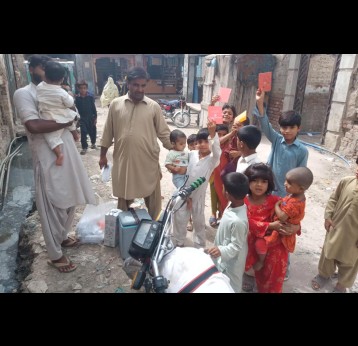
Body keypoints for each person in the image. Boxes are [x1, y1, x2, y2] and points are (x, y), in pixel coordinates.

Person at [13, 55, 96, 273]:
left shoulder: (56, 90)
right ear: (32, 69)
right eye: (42, 67)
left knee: (69, 199)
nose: (46, 71)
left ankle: (61, 237)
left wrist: (73, 126)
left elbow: (71, 112)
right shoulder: (24, 94)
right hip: (46, 154)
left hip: (66, 149)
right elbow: (33, 125)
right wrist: (68, 120)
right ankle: (55, 255)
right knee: (51, 204)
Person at [99, 67, 172, 220]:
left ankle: (154, 228)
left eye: (143, 85)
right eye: (135, 85)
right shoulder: (115, 104)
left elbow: (164, 134)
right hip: (124, 160)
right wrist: (102, 155)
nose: (140, 89)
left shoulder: (153, 106)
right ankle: (124, 226)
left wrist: (178, 152)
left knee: (153, 198)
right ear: (128, 83)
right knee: (124, 196)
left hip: (147, 159)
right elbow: (107, 132)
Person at [255, 88, 309, 281]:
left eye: (290, 128)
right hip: (271, 193)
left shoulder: (302, 150)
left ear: (298, 129)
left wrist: (295, 199)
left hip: (287, 198)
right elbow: (264, 123)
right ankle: (263, 263)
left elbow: (301, 177)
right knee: (269, 229)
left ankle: (283, 267)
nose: (286, 131)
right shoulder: (277, 140)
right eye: (283, 127)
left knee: (285, 234)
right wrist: (260, 103)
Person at [243, 163, 299, 293]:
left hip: (275, 250)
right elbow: (243, 222)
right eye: (255, 181)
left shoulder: (277, 201)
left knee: (272, 283)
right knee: (255, 275)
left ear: (269, 184)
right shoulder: (242, 202)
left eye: (264, 181)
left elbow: (293, 217)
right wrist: (269, 225)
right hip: (252, 247)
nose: (259, 185)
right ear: (247, 181)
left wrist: (295, 227)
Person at [311, 157, 358, 293]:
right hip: (336, 228)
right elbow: (334, 198)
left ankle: (342, 285)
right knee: (328, 253)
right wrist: (328, 216)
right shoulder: (347, 182)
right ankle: (323, 275)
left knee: (350, 262)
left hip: (354, 237)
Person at [172, 120, 221, 248]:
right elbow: (180, 170)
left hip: (198, 197)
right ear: (195, 144)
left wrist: (212, 134)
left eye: (206, 142)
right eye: (199, 142)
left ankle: (199, 246)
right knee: (179, 218)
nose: (203, 145)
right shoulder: (191, 154)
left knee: (198, 222)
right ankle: (179, 242)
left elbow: (217, 151)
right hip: (184, 194)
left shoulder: (212, 160)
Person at [253, 166, 313, 271]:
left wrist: (276, 205)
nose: (285, 183)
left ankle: (261, 262)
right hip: (280, 229)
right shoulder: (295, 196)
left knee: (263, 245)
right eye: (286, 180)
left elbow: (282, 217)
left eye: (289, 183)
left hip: (280, 232)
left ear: (301, 188)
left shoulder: (294, 203)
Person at [206, 172, 249, 292]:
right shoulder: (233, 205)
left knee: (231, 286)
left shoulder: (238, 221)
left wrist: (221, 250)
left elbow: (236, 247)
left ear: (227, 193)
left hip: (232, 262)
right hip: (222, 253)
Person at [36, 61, 79, 166]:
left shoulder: (40, 87)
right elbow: (70, 103)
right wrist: (69, 94)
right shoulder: (61, 92)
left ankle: (59, 153)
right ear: (62, 79)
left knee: (51, 137)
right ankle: (75, 135)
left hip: (48, 116)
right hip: (62, 114)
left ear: (45, 76)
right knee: (70, 120)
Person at [209, 124, 230, 227]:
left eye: (224, 134)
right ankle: (214, 213)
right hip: (214, 174)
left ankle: (222, 214)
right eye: (219, 134)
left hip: (225, 176)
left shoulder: (230, 145)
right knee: (214, 195)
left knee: (224, 196)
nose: (221, 137)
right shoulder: (213, 144)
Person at [75, 80, 98, 155]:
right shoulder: (77, 99)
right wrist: (77, 120)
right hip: (82, 118)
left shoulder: (90, 97)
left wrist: (95, 118)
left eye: (84, 88)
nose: (83, 90)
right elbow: (76, 110)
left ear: (87, 88)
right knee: (83, 132)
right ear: (78, 89)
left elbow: (93, 108)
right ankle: (84, 147)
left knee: (93, 131)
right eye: (81, 88)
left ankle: (93, 144)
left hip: (91, 117)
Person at [186, 133, 197, 232]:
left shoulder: (201, 157)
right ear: (188, 146)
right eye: (192, 144)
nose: (194, 146)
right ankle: (189, 221)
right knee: (188, 202)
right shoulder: (187, 156)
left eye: (196, 144)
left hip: (198, 184)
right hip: (188, 183)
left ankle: (195, 220)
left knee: (197, 202)